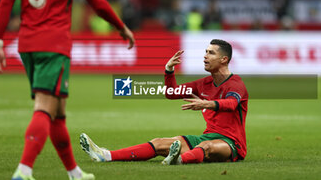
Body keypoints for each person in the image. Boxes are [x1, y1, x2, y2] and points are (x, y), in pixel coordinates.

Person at [0, 0, 135, 180]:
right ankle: (24, 170)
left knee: (58, 114)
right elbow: (95, 0)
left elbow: (6, 1)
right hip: (53, 46)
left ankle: (75, 174)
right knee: (45, 107)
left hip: (27, 45)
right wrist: (120, 26)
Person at [80, 39, 248, 165]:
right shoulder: (203, 84)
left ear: (224, 59)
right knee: (159, 142)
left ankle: (179, 160)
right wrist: (169, 71)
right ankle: (106, 155)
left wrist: (206, 104)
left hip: (230, 143)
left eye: (211, 53)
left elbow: (231, 104)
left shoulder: (236, 84)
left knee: (206, 147)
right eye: (205, 51)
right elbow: (172, 93)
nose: (205, 56)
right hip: (207, 136)